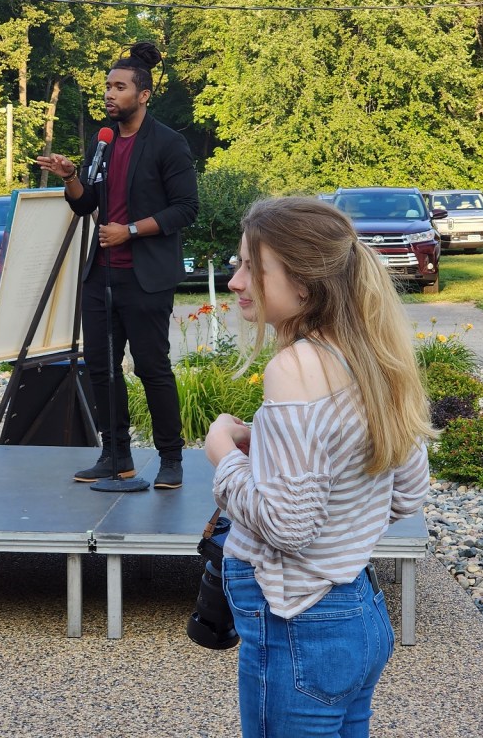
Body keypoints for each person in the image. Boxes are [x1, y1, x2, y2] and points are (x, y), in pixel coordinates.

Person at [204, 197, 435, 737]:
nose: (236, 282)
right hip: (359, 614)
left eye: (253, 268)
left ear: (304, 285)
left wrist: (222, 454)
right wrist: (271, 445)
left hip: (299, 623)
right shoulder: (372, 356)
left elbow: (288, 526)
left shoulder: (295, 367)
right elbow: (407, 493)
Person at [36, 42, 198, 490]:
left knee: (152, 368)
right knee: (102, 369)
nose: (109, 94)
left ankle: (171, 459)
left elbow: (186, 209)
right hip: (101, 275)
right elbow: (85, 203)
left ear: (143, 94)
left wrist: (129, 230)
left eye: (120, 87)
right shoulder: (103, 140)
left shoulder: (169, 143)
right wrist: (71, 176)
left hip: (146, 278)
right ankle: (116, 457)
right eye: (108, 86)